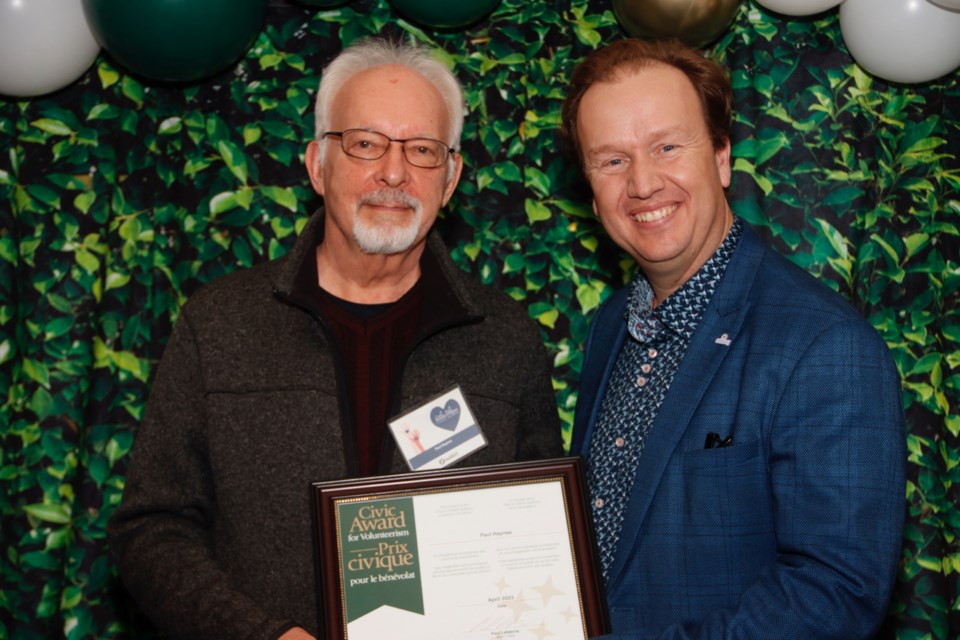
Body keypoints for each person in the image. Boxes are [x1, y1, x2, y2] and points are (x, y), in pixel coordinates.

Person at [108, 38, 561, 640]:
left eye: (422, 150)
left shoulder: (507, 341)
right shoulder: (218, 325)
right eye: (366, 144)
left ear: (450, 180)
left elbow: (541, 539)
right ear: (318, 164)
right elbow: (151, 528)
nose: (393, 173)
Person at [560, 38, 905, 639]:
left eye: (666, 147)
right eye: (611, 160)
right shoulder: (612, 324)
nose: (642, 184)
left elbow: (837, 589)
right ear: (591, 191)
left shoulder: (824, 346)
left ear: (721, 156)